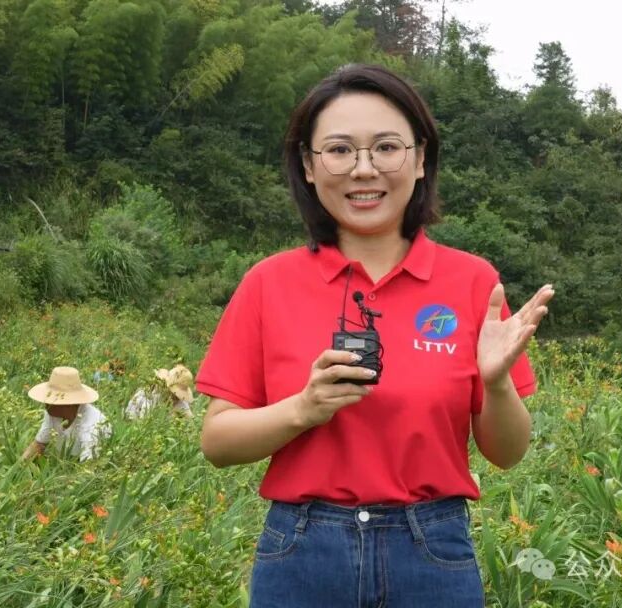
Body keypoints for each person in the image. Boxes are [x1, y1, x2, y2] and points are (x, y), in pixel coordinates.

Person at [196, 64, 555, 607]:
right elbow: (218, 444)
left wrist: (496, 383)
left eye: (386, 147)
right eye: (339, 150)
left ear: (419, 159)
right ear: (309, 168)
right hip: (302, 550)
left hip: (432, 550)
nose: (364, 170)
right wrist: (305, 408)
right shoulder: (269, 282)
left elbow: (507, 453)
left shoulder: (472, 282)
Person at [21, 366, 112, 462]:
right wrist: (18, 467)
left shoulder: (92, 426)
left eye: (54, 401)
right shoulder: (52, 413)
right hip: (64, 459)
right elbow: (40, 443)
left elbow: (88, 467)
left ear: (71, 404)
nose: (46, 404)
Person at [125, 364, 196, 419]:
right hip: (135, 418)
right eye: (174, 394)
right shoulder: (152, 395)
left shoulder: (180, 401)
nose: (175, 398)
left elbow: (190, 419)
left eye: (177, 395)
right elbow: (143, 418)